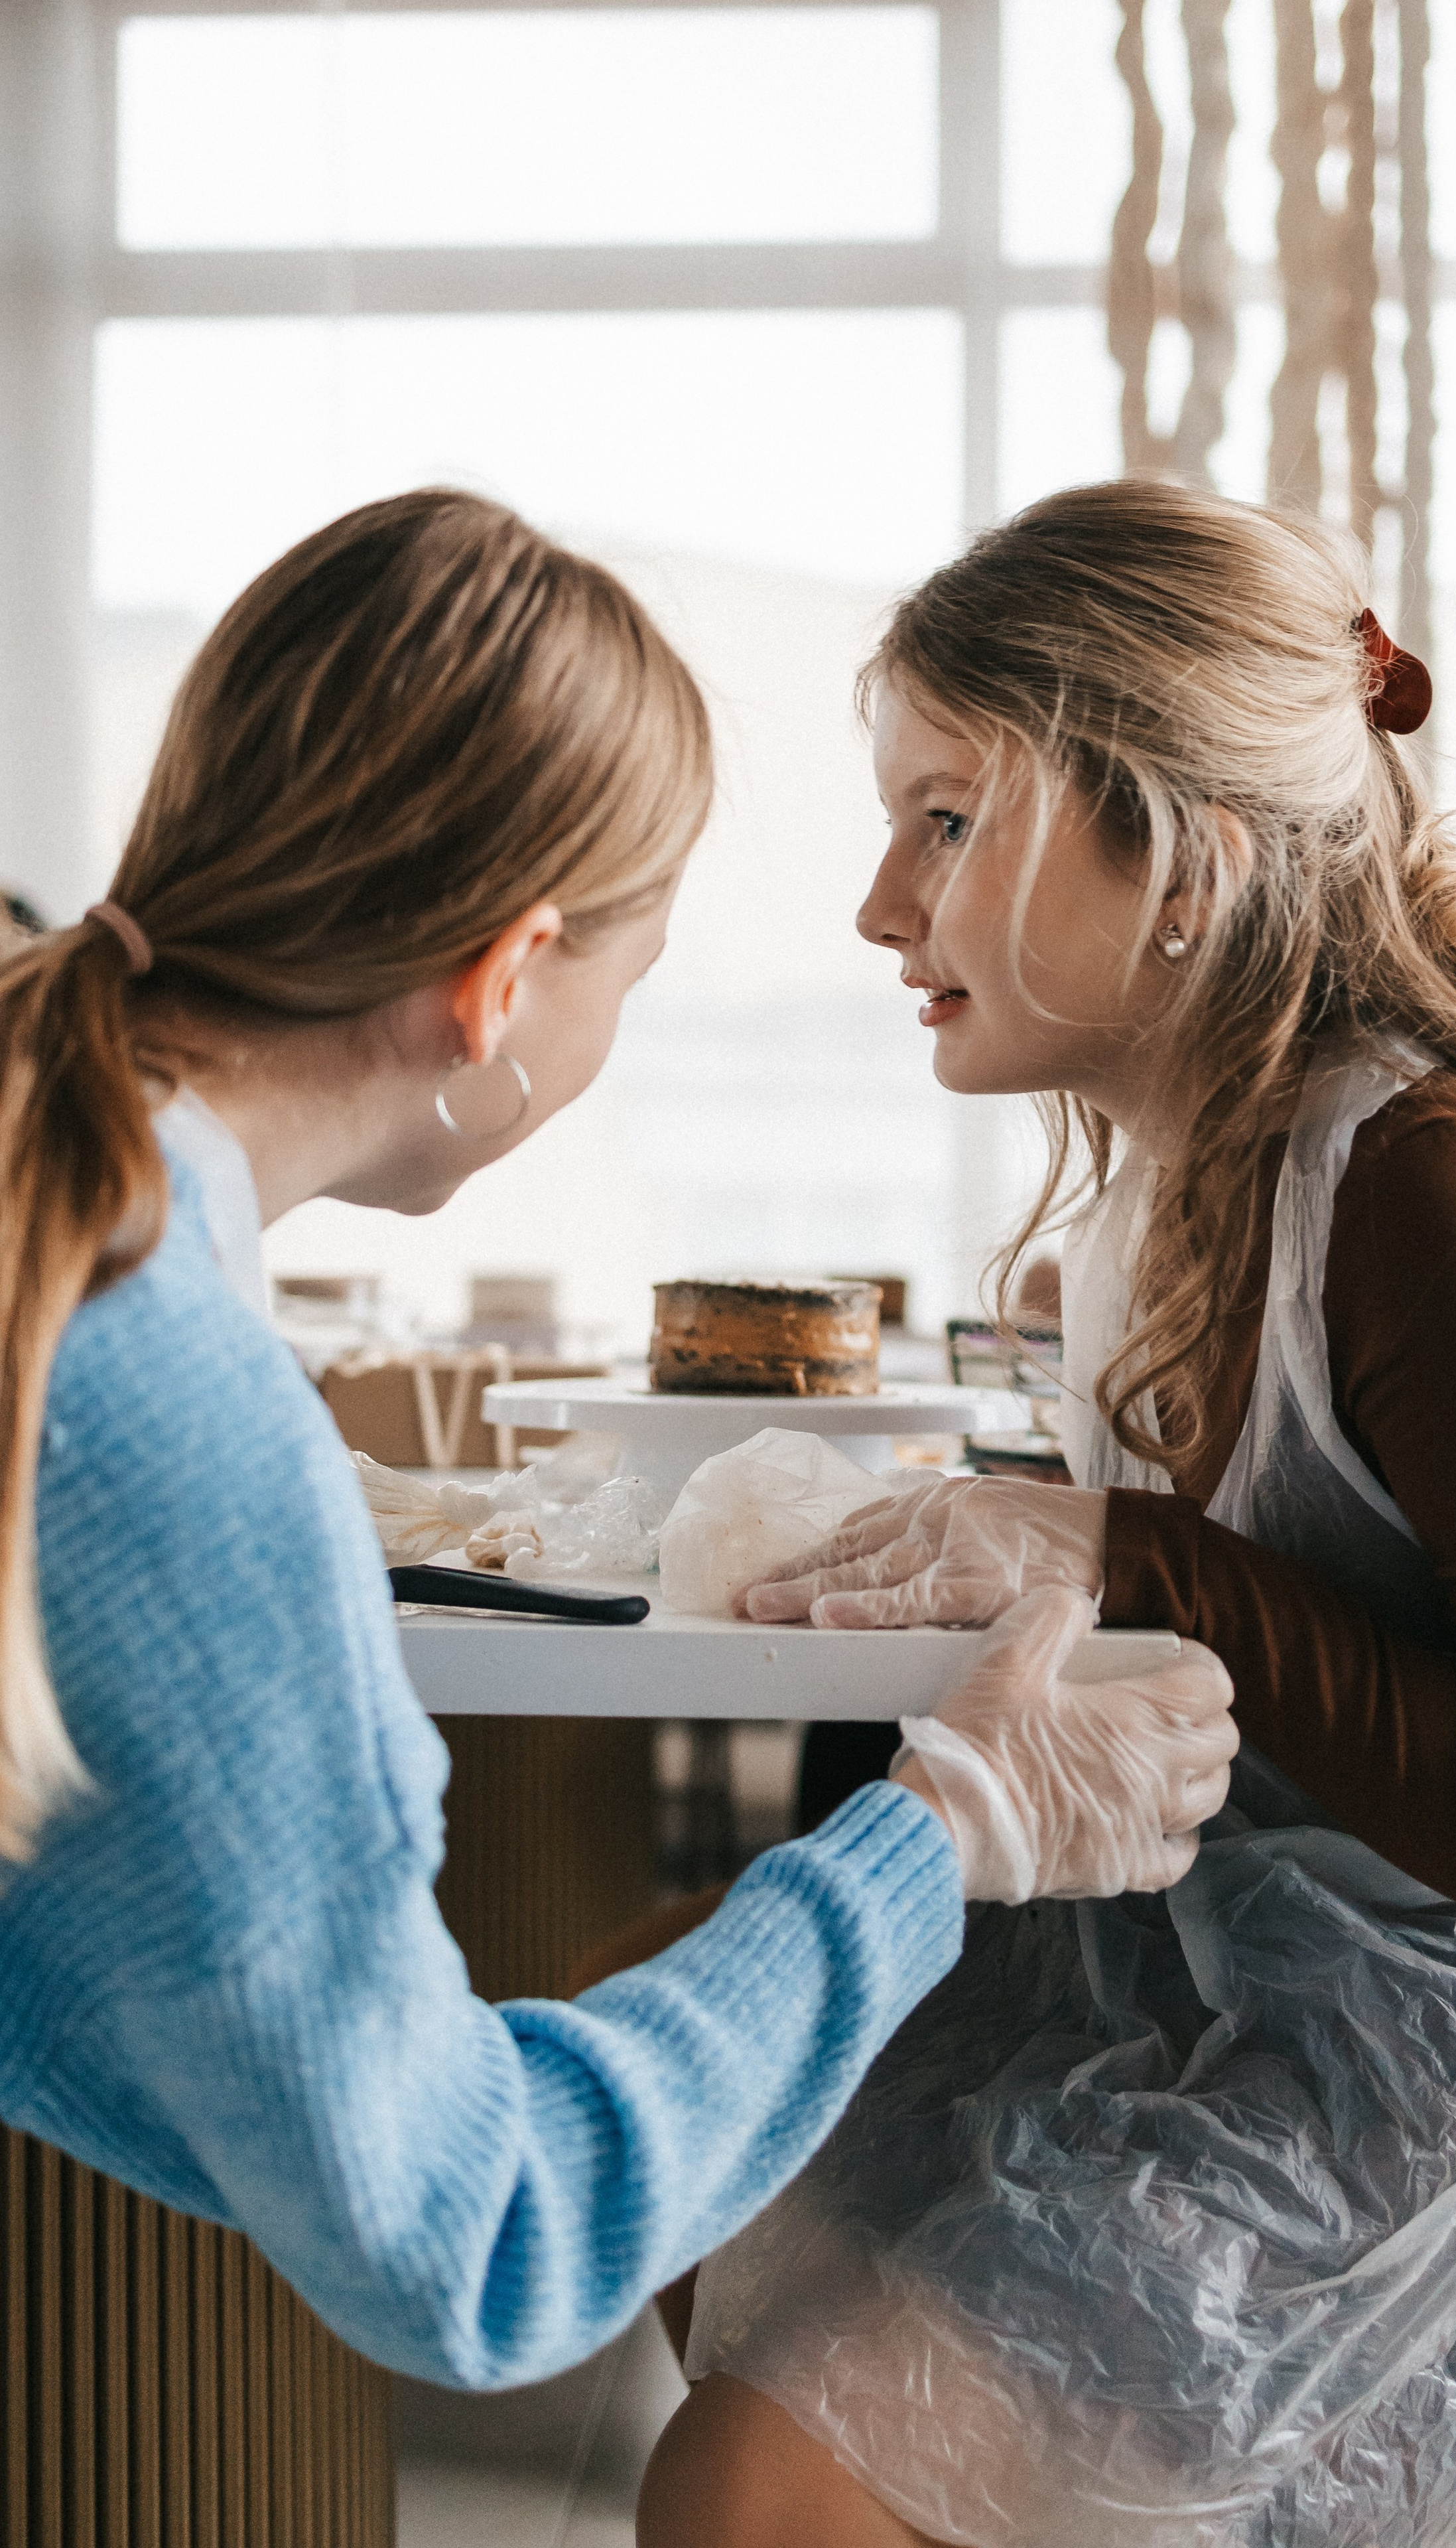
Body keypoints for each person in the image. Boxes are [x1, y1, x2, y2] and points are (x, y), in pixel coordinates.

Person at [0, 488, 1239, 2390]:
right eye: (628, 982)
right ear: (503, 981)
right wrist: (953, 1822)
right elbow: (479, 2238)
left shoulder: (78, 1242)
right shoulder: (156, 1385)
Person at [637, 480, 1456, 2548]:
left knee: (748, 2489)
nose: (880, 905)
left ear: (1180, 855)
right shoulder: (1181, 1164)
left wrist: (1139, 1561)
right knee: (673, 2048)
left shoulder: (1435, 1193)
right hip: (1205, 1956)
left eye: (948, 819)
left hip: (1433, 2060)